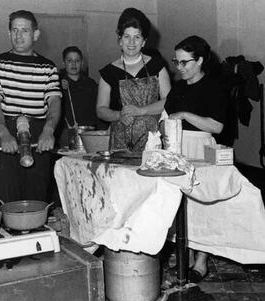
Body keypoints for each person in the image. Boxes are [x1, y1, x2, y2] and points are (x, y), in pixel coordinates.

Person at [164, 35, 227, 283]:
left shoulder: (214, 87)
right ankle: (185, 257)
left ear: (199, 60)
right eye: (176, 62)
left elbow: (218, 126)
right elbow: (167, 116)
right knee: (182, 207)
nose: (179, 68)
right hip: (178, 147)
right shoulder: (178, 87)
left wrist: (185, 114)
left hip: (203, 149)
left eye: (184, 63)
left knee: (202, 205)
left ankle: (201, 261)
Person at [0, 10, 61, 203]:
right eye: (14, 30)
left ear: (35, 34)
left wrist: (49, 131)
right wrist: (3, 134)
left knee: (36, 198)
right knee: (6, 199)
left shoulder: (48, 68)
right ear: (9, 33)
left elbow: (54, 102)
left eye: (24, 30)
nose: (18, 35)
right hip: (7, 133)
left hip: (38, 134)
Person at [96, 7, 171, 152]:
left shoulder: (157, 66)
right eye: (126, 36)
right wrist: (119, 115)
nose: (131, 42)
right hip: (120, 143)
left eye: (137, 37)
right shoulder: (109, 72)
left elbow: (169, 101)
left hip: (153, 140)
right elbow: (101, 110)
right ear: (119, 39)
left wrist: (141, 111)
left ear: (144, 41)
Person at [58, 46, 98, 147]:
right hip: (66, 135)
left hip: (89, 134)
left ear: (82, 63)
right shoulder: (57, 83)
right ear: (64, 63)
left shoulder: (91, 84)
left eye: (77, 60)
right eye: (69, 60)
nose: (73, 64)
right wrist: (58, 86)